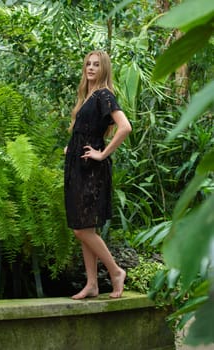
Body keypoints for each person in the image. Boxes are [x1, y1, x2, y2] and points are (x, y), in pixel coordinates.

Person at [64, 50, 132, 300]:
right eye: (87, 64)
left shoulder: (104, 95)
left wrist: (101, 155)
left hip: (90, 171)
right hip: (77, 166)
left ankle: (115, 271)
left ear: (104, 69)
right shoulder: (87, 96)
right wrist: (71, 148)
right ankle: (92, 284)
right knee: (84, 226)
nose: (91, 68)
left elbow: (125, 127)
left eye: (96, 65)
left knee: (82, 230)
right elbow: (89, 132)